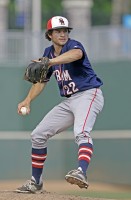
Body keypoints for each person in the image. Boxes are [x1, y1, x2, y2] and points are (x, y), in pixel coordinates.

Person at [16, 16, 104, 193]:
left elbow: (76, 55)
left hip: (89, 94)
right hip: (70, 100)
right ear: (50, 34)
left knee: (81, 132)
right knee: (38, 135)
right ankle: (36, 182)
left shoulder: (73, 46)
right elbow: (41, 81)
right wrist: (27, 100)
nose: (63, 34)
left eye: (65, 30)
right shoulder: (48, 52)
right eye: (58, 31)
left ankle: (81, 172)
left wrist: (49, 62)